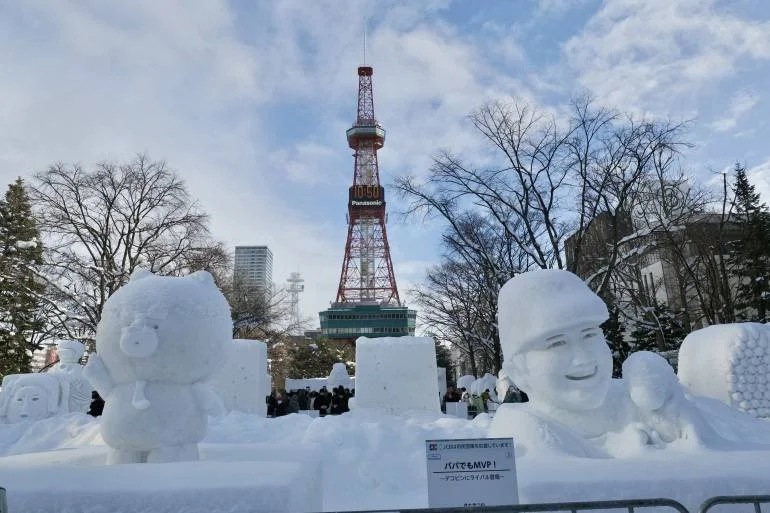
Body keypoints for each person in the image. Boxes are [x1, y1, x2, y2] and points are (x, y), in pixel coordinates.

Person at [489, 269, 728, 458]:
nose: (583, 358)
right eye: (557, 344)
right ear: (518, 370)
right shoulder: (519, 434)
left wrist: (673, 414)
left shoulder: (633, 400)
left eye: (589, 335)